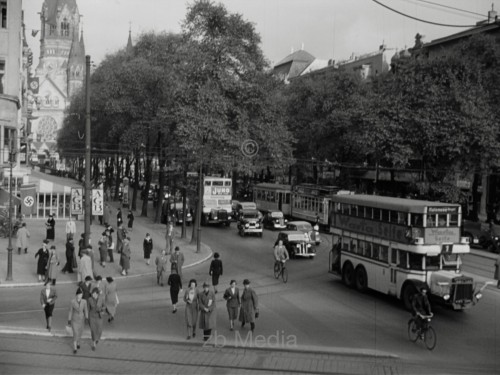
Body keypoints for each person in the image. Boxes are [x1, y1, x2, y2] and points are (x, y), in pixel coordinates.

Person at [68, 288, 89, 354]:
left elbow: (86, 310)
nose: (80, 296)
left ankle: (78, 342)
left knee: (80, 332)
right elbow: (70, 311)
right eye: (79, 294)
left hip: (81, 319)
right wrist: (69, 319)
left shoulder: (84, 301)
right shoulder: (72, 302)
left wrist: (86, 318)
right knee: (75, 333)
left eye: (81, 294)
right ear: (76, 295)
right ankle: (75, 348)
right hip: (74, 320)